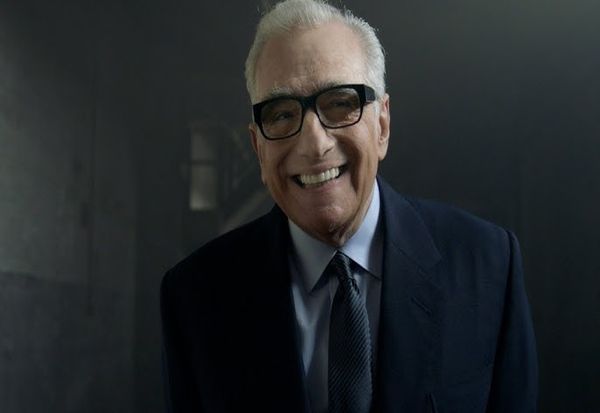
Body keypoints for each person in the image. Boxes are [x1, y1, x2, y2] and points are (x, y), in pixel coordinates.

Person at [160, 0, 538, 412]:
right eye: (281, 114)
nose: (314, 143)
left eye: (340, 103)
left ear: (382, 125)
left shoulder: (488, 265)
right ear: (258, 147)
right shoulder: (194, 297)